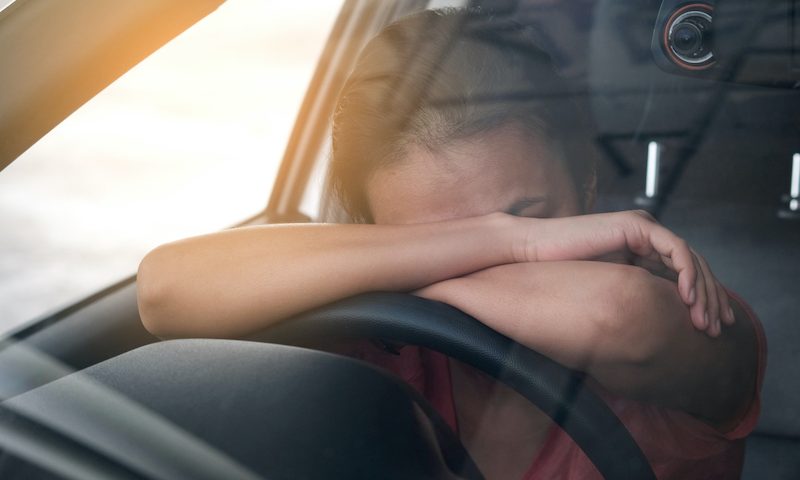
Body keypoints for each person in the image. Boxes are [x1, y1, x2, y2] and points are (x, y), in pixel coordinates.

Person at [136, 8, 766, 479]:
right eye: (435, 241)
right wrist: (511, 238)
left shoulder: (696, 317)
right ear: (377, 236)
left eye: (527, 216)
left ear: (588, 183)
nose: (491, 254)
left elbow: (616, 316)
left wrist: (410, 267)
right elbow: (164, 290)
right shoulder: (374, 341)